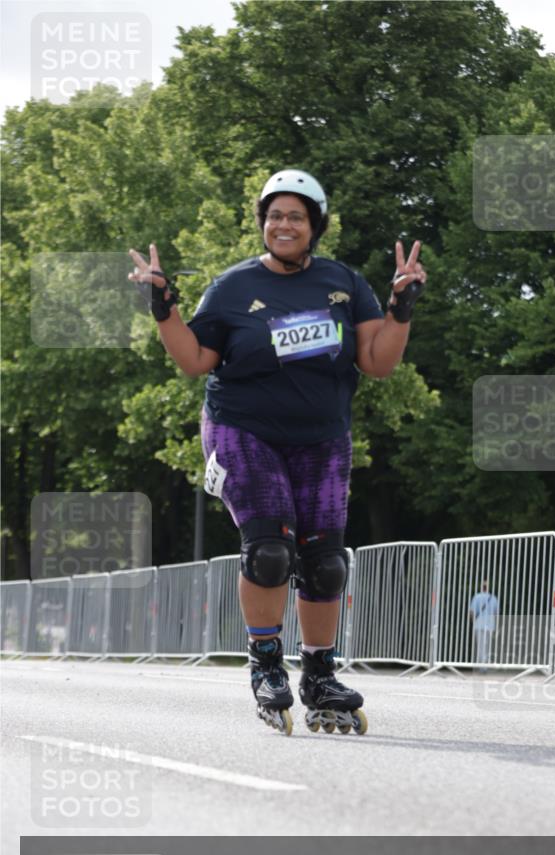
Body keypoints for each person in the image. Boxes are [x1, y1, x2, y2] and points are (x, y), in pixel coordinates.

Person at [128, 168, 427, 735]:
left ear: (314, 226)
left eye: (295, 216)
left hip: (321, 436)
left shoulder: (343, 283)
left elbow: (379, 363)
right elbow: (195, 361)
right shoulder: (233, 287)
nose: (283, 224)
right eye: (274, 216)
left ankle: (319, 674)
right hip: (243, 430)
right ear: (262, 224)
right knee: (269, 551)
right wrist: (163, 309)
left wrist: (400, 310)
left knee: (326, 563)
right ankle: (266, 664)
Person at [469, 580, 499, 667]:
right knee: (487, 646)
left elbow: (472, 612)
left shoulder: (477, 597)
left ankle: (481, 666)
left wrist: (473, 621)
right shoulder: (493, 598)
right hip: (490, 625)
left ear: (482, 587)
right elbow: (496, 614)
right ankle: (485, 665)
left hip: (478, 625)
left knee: (480, 646)